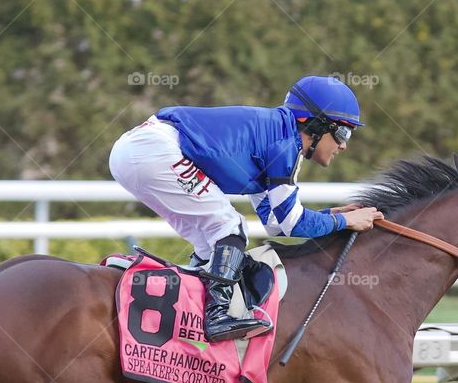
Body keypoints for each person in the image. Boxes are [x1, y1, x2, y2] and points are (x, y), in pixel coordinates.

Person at [109, 75, 383, 342]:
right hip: (152, 149)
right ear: (314, 125)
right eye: (343, 131)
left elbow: (275, 223)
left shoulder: (277, 135)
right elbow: (291, 224)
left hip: (137, 149)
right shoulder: (284, 145)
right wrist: (345, 222)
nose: (344, 145)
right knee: (230, 226)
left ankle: (191, 310)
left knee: (211, 242)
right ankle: (217, 315)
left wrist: (330, 216)